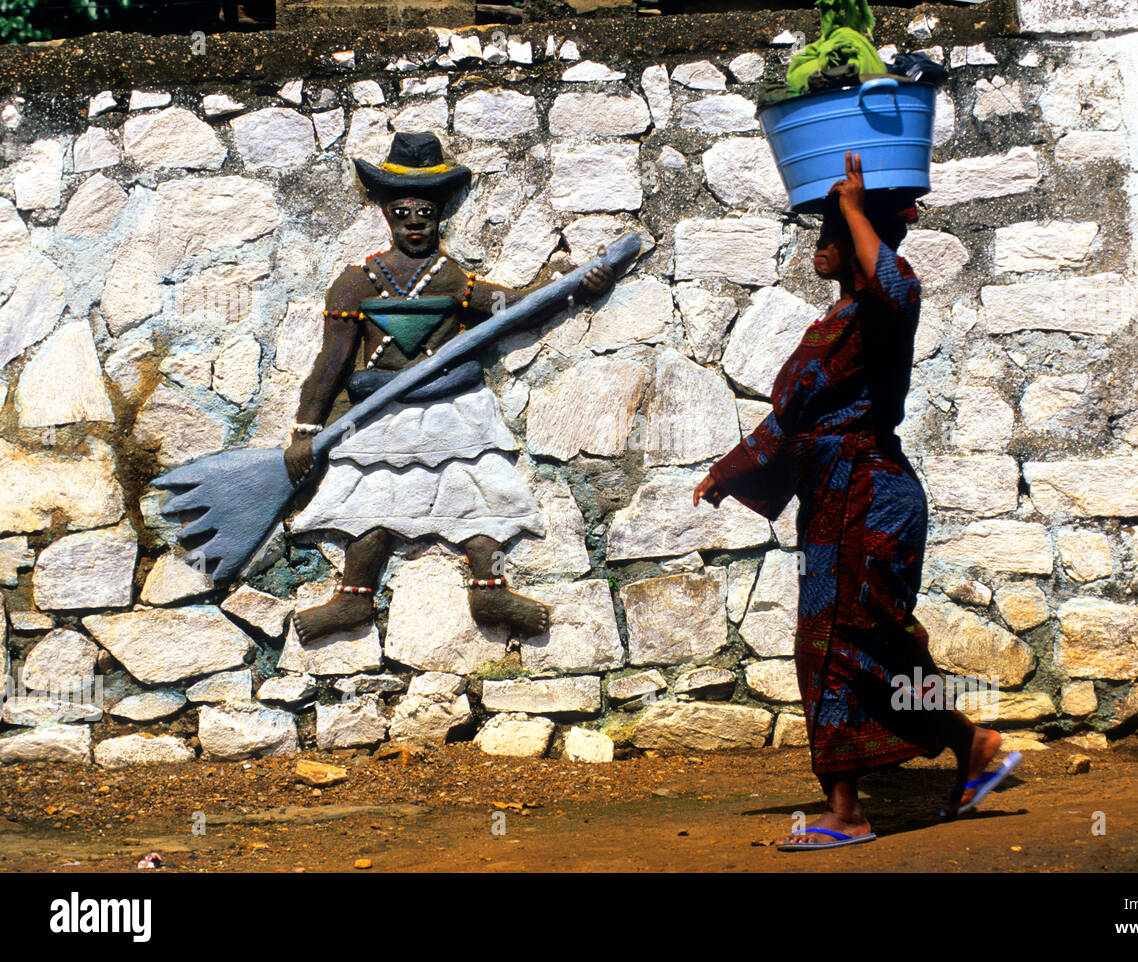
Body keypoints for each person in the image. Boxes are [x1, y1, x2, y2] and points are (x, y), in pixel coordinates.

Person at [693, 152, 1018, 850]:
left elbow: (898, 286)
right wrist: (733, 470)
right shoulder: (839, 320)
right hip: (841, 498)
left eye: (829, 232)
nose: (818, 245)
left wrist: (851, 204)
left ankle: (847, 812)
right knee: (869, 641)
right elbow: (795, 421)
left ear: (855, 243)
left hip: (869, 497)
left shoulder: (883, 309)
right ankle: (970, 742)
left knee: (833, 646)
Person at [286, 132, 612, 644]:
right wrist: (305, 430)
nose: (415, 224)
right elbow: (331, 360)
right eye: (403, 213)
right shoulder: (355, 282)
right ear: (386, 215)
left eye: (425, 214)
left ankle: (489, 588)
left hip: (452, 405)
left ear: (439, 216)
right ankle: (353, 599)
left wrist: (570, 288)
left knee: (477, 492)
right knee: (373, 499)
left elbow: (511, 306)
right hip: (381, 409)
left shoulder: (451, 279)